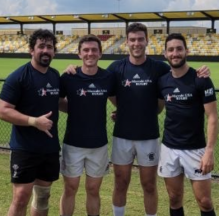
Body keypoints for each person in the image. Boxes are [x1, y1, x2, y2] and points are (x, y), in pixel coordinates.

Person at [64, 23, 210, 216]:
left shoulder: (160, 68)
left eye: (140, 39)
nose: (136, 43)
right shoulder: (116, 68)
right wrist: (73, 68)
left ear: (147, 41)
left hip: (149, 136)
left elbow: (179, 74)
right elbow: (99, 82)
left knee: (149, 185)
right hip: (122, 137)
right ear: (127, 42)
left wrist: (200, 72)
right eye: (132, 39)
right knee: (121, 182)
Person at [0, 29, 60, 216]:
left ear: (54, 52)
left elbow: (61, 102)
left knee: (43, 197)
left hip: (49, 148)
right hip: (24, 147)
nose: (45, 50)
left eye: (49, 47)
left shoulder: (55, 75)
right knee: (21, 197)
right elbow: (3, 109)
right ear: (31, 50)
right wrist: (34, 121)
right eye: (41, 46)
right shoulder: (18, 77)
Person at [157, 33, 218, 216]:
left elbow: (213, 117)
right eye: (171, 50)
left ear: (186, 51)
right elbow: (154, 108)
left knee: (205, 202)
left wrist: (209, 151)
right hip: (169, 148)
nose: (175, 53)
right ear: (165, 54)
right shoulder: (163, 81)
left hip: (195, 149)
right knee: (174, 198)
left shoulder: (201, 79)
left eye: (179, 49)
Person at [59, 34, 116, 216]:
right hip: (73, 143)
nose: (90, 54)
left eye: (94, 50)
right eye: (86, 50)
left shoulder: (108, 77)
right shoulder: (69, 77)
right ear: (79, 54)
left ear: (100, 54)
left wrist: (120, 112)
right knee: (70, 188)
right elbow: (58, 99)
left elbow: (118, 100)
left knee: (93, 189)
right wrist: (74, 109)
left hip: (98, 144)